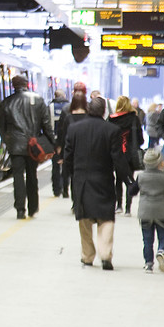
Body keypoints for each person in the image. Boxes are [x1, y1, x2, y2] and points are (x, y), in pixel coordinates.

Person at [64, 97, 131, 270]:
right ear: (104, 111)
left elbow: (68, 157)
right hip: (103, 180)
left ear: (88, 109)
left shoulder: (74, 129)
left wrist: (71, 175)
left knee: (85, 219)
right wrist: (128, 180)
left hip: (82, 181)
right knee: (106, 218)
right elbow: (118, 158)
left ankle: (87, 256)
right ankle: (105, 254)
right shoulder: (112, 130)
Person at [0, 74, 54, 219]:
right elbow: (46, 125)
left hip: (15, 146)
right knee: (32, 176)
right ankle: (33, 208)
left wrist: (8, 141)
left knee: (18, 177)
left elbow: (1, 127)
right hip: (33, 145)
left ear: (13, 86)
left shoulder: (6, 103)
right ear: (27, 84)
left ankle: (20, 209)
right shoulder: (38, 100)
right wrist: (52, 143)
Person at [129, 149, 164, 273]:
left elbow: (132, 192)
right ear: (159, 163)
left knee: (147, 240)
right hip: (161, 212)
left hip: (145, 212)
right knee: (163, 237)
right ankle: (162, 251)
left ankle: (148, 264)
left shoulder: (141, 177)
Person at [108, 96, 144, 215]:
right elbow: (140, 139)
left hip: (117, 153)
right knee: (130, 180)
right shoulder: (134, 119)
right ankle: (128, 208)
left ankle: (118, 206)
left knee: (118, 179)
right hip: (130, 154)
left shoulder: (112, 119)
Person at [55, 91, 88, 203]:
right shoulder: (89, 117)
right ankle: (84, 200)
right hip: (87, 152)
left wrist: (61, 155)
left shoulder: (68, 118)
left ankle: (76, 202)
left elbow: (64, 137)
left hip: (73, 153)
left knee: (74, 178)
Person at [49, 89, 68, 197]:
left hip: (54, 141)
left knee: (55, 165)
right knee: (66, 165)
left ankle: (56, 189)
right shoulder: (69, 106)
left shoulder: (50, 107)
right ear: (64, 95)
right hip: (67, 140)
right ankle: (65, 186)